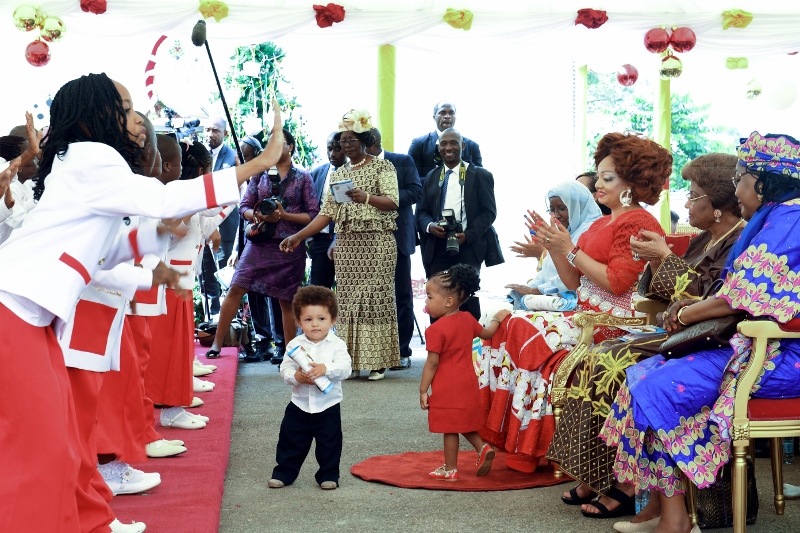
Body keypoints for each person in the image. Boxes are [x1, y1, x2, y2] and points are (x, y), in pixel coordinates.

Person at [0, 73, 284, 532]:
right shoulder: (94, 155)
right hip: (14, 310)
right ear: (96, 114)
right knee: (41, 446)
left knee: (59, 441)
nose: (134, 119)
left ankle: (83, 522)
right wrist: (258, 164)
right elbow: (166, 196)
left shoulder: (80, 160)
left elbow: (103, 251)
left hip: (25, 314)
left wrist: (154, 235)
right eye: (126, 107)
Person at [601, 132, 800, 533]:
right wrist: (688, 309)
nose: (737, 189)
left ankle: (674, 519)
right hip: (752, 345)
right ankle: (669, 513)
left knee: (655, 385)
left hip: (776, 356)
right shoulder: (776, 218)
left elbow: (736, 300)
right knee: (640, 375)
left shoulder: (788, 222)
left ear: (761, 183)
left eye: (741, 179)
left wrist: (688, 314)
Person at [546, 153, 745, 518]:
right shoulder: (705, 239)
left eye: (694, 194)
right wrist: (658, 260)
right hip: (680, 331)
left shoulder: (739, 240)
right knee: (600, 354)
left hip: (712, 341)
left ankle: (625, 483)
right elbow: (664, 293)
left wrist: (663, 257)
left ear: (717, 204)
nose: (685, 200)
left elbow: (718, 300)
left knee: (610, 359)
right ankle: (600, 473)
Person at [477, 132, 669, 473]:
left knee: (522, 328)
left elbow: (616, 281)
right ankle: (524, 443)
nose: (598, 184)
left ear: (633, 184)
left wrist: (568, 248)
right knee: (505, 325)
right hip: (584, 312)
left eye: (608, 178)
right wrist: (554, 246)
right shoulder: (604, 220)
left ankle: (536, 446)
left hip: (615, 320)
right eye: (599, 177)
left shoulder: (637, 221)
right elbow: (573, 281)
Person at [280, 109, 400, 381]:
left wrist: (366, 197)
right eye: (341, 141)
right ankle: (353, 361)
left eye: (350, 140)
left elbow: (393, 202)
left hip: (376, 242)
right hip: (347, 245)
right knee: (347, 304)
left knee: (373, 300)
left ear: (364, 140)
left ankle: (378, 362)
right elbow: (327, 214)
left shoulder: (383, 166)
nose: (345, 146)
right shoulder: (339, 174)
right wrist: (298, 236)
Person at [206, 129, 319, 360]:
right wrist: (259, 216)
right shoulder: (260, 175)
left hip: (289, 245)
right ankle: (217, 343)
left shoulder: (304, 177)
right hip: (259, 243)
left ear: (291, 147)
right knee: (236, 286)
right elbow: (244, 207)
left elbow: (313, 215)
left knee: (286, 301)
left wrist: (284, 215)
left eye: (281, 143)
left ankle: (290, 354)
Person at [420, 265, 511, 481]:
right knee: (461, 422)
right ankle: (483, 448)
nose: (425, 302)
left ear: (448, 302)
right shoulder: (468, 319)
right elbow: (487, 333)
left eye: (429, 297)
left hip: (446, 385)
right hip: (468, 382)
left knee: (450, 428)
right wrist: (498, 318)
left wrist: (423, 389)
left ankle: (451, 469)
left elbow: (432, 363)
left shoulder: (435, 330)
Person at [269, 285, 351, 490]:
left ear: (333, 320)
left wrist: (326, 369)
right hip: (299, 404)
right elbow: (285, 369)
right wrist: (296, 377)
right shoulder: (294, 345)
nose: (315, 324)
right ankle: (284, 472)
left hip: (328, 405)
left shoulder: (337, 345)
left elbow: (345, 369)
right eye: (308, 319)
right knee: (290, 439)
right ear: (298, 321)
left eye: (321, 319)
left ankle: (328, 474)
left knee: (330, 442)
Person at [415, 128, 499, 321]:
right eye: (443, 144)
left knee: (466, 298)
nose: (448, 147)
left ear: (462, 146)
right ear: (438, 148)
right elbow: (422, 212)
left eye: (453, 143)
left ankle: (470, 348)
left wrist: (468, 235)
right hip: (437, 246)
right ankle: (439, 347)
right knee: (437, 298)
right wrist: (430, 227)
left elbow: (489, 212)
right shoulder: (431, 177)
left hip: (468, 246)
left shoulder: (480, 175)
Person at [366, 127, 423, 370]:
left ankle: (401, 350)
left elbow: (415, 191)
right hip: (365, 241)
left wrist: (382, 196)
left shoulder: (402, 160)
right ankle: (374, 351)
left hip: (397, 237)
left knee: (401, 295)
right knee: (370, 297)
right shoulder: (354, 167)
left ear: (373, 141)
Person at [505, 180, 602, 310]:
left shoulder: (592, 231)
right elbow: (547, 272)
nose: (556, 216)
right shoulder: (567, 233)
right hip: (555, 299)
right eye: (552, 210)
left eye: (562, 208)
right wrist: (526, 290)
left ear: (578, 206)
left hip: (580, 304)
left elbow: (575, 278)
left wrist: (536, 291)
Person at [235, 135, 286, 364]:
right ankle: (263, 343)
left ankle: (281, 344)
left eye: (248, 156)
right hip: (254, 242)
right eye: (242, 156)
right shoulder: (254, 177)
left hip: (280, 243)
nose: (244, 160)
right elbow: (243, 209)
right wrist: (257, 215)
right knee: (254, 291)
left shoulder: (291, 175)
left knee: (277, 292)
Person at [202, 115, 239, 319]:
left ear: (225, 133)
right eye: (207, 130)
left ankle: (226, 327)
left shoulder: (231, 158)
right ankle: (209, 322)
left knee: (224, 277)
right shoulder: (196, 155)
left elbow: (231, 197)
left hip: (223, 229)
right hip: (199, 229)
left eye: (215, 130)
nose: (210, 134)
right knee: (207, 279)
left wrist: (213, 225)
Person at [308, 132, 347, 289]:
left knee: (348, 295)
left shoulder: (351, 173)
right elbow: (310, 208)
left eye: (337, 149)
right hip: (320, 242)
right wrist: (309, 240)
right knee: (317, 294)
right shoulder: (317, 173)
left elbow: (345, 211)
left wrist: (338, 240)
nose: (333, 154)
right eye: (329, 149)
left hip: (346, 242)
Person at [408, 101, 482, 183]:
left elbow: (479, 178)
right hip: (429, 195)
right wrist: (437, 178)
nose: (447, 116)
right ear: (434, 117)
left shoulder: (472, 146)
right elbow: (412, 180)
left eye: (451, 113)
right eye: (442, 113)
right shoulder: (419, 144)